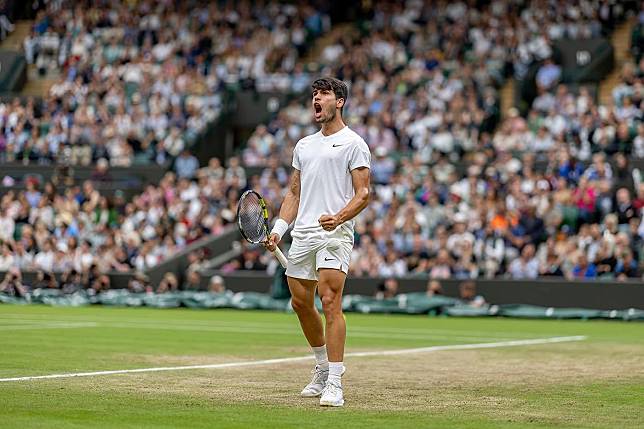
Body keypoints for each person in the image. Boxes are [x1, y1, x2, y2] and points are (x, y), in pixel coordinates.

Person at [266, 77, 371, 407]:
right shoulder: (303, 146)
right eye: (314, 94)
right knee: (299, 302)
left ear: (339, 102)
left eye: (323, 94)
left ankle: (336, 381)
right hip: (303, 234)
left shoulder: (355, 143)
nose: (316, 99)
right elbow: (294, 193)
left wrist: (339, 218)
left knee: (329, 300)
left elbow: (364, 194)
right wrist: (279, 228)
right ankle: (322, 368)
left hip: (334, 234)